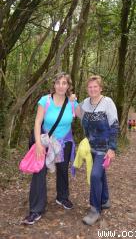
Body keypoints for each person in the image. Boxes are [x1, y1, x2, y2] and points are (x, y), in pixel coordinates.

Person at [23, 72, 78, 225]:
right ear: (54, 84)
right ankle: (36, 210)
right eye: (58, 82)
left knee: (62, 169)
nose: (61, 86)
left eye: (64, 83)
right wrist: (39, 144)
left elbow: (83, 115)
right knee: (39, 172)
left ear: (68, 86)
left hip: (64, 143)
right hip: (45, 141)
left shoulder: (72, 102)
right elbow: (37, 122)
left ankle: (62, 197)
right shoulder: (45, 100)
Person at [75, 75, 119, 225]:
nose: (92, 89)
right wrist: (71, 100)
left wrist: (112, 148)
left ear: (100, 88)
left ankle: (95, 210)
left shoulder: (108, 103)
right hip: (90, 147)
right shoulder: (85, 103)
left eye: (95, 86)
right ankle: (105, 199)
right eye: (90, 87)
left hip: (104, 148)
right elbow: (76, 112)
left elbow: (114, 125)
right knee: (100, 174)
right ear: (87, 89)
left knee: (95, 175)